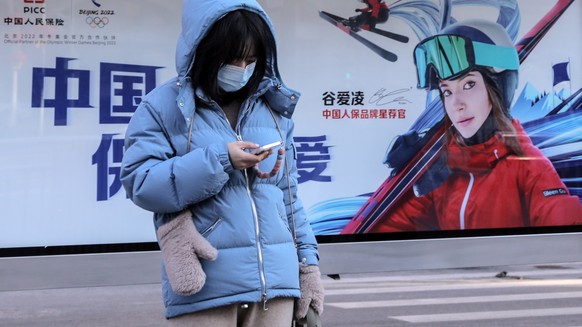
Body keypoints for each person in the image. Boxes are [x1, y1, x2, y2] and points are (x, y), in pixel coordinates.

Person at [120, 0, 324, 325]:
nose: (242, 68)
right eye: (233, 59)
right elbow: (142, 184)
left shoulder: (272, 108)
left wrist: (308, 266)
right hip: (207, 286)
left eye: (251, 59)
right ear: (203, 50)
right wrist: (221, 159)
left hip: (276, 287)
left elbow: (289, 196)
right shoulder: (161, 107)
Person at [370, 19, 582, 232]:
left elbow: (564, 231)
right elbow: (391, 233)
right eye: (447, 91)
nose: (456, 105)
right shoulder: (443, 168)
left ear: (499, 87)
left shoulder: (529, 167)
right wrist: (405, 184)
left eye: (469, 84)